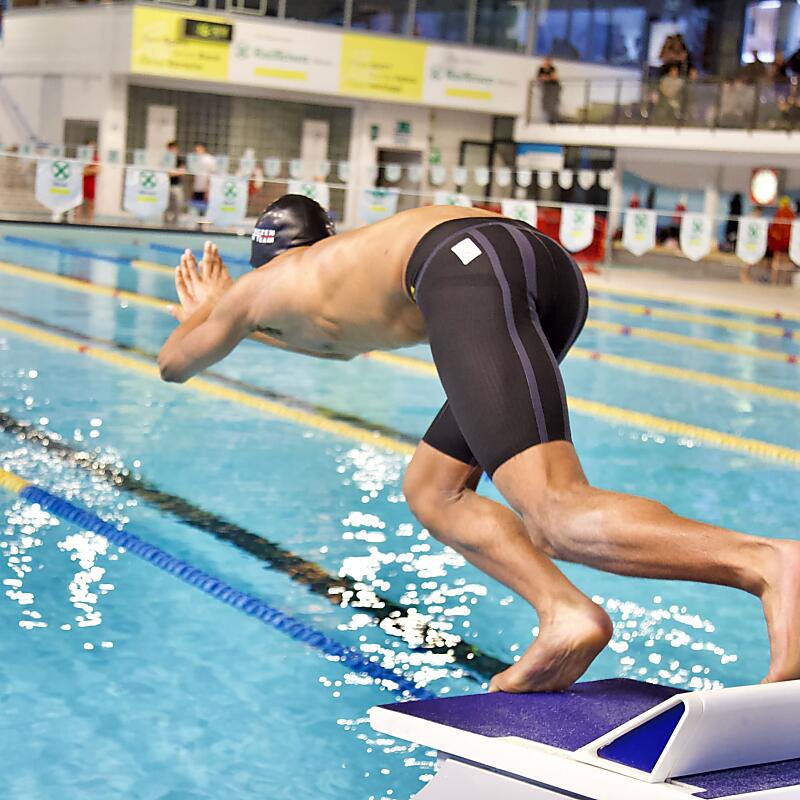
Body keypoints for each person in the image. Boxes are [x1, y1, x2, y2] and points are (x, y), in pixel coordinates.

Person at [157, 196, 800, 693]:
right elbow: (337, 347)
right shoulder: (336, 269)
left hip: (471, 263)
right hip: (536, 264)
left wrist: (210, 311)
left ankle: (769, 563)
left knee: (555, 513)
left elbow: (174, 364)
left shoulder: (256, 289)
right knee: (432, 489)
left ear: (263, 257)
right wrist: (236, 323)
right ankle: (565, 613)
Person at [767, 196, 796, 285]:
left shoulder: (778, 213)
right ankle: (783, 281)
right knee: (786, 260)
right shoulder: (791, 214)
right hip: (788, 241)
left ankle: (773, 280)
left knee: (776, 259)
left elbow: (774, 228)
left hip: (778, 240)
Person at [76, 139, 100, 224]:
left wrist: (86, 170)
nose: (92, 148)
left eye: (93, 146)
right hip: (80, 182)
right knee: (78, 204)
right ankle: (77, 222)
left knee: (91, 205)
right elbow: (78, 171)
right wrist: (89, 170)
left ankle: (90, 223)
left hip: (90, 183)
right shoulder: (81, 156)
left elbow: (98, 170)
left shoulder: (95, 158)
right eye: (90, 146)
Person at [190, 142, 216, 214]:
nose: (196, 151)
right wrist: (192, 188)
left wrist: (207, 189)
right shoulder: (195, 159)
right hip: (196, 188)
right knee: (196, 209)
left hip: (205, 188)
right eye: (196, 150)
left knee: (204, 210)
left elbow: (211, 175)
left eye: (198, 149)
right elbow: (194, 175)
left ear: (203, 149)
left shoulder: (209, 159)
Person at [165, 141, 186, 227]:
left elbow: (182, 171)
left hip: (176, 185)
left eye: (174, 148)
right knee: (166, 205)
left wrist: (172, 173)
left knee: (178, 205)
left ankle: (175, 223)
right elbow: (165, 172)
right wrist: (172, 173)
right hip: (166, 185)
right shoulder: (166, 159)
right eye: (171, 148)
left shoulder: (179, 159)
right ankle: (165, 223)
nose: (172, 150)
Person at [537, 57, 561, 124]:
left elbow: (554, 77)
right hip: (546, 88)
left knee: (553, 103)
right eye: (545, 61)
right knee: (546, 104)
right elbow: (539, 78)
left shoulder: (552, 68)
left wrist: (546, 78)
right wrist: (547, 78)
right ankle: (550, 118)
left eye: (548, 61)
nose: (546, 62)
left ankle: (554, 119)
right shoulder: (541, 69)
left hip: (553, 88)